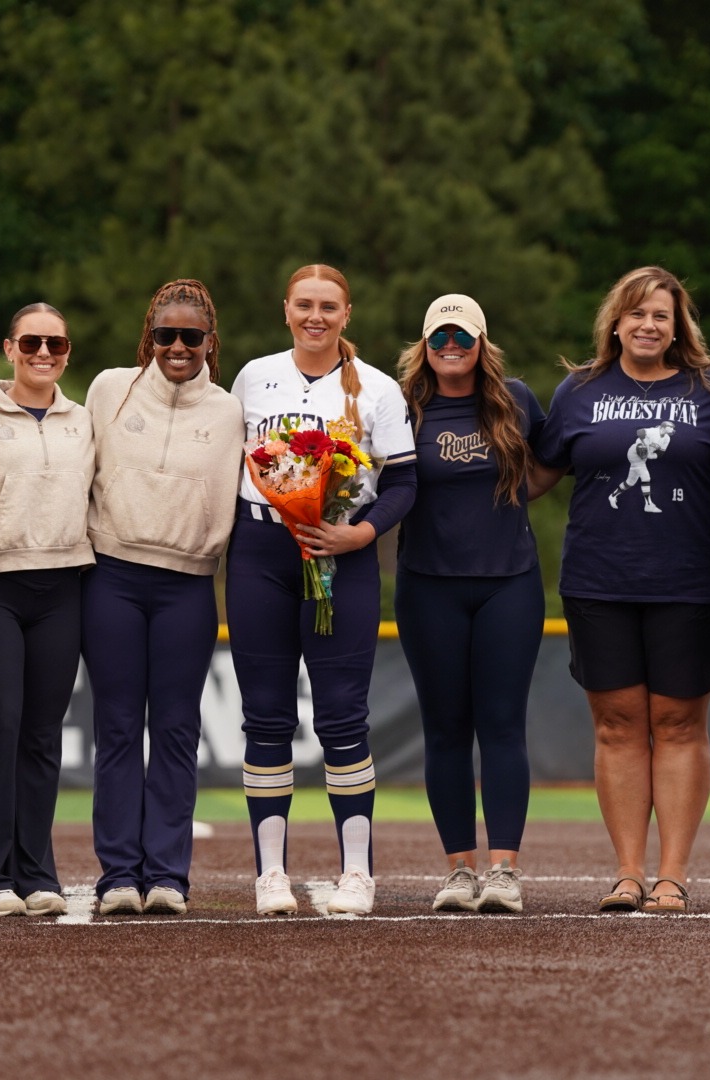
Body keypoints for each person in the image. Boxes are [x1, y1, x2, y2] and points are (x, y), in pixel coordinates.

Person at [537, 266, 710, 915]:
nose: (648, 325)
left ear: (678, 327)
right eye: (637, 314)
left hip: (691, 582)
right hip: (600, 581)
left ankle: (672, 874)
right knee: (618, 728)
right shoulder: (579, 390)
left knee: (679, 725)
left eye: (661, 316)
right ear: (614, 322)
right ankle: (628, 872)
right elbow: (533, 475)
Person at [228, 263, 416, 916]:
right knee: (267, 716)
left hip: (341, 555)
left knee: (341, 715)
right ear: (285, 310)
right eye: (304, 304)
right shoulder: (254, 376)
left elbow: (403, 484)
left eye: (328, 306)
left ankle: (357, 873)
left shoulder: (379, 391)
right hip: (259, 552)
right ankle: (270, 874)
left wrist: (359, 536)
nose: (316, 316)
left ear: (347, 313)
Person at [84, 279, 244, 917]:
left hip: (188, 584)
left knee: (176, 731)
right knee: (118, 729)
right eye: (165, 335)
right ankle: (119, 873)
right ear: (148, 336)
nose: (177, 347)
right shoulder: (106, 390)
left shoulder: (230, 410)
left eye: (191, 337)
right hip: (112, 577)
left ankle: (168, 876)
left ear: (210, 342)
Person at [393, 294, 546, 914]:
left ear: (482, 342)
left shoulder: (516, 399)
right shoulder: (400, 407)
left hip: (509, 580)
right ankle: (459, 870)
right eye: (439, 337)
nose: (450, 346)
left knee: (503, 725)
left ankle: (504, 870)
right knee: (446, 728)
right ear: (423, 345)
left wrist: (510, 503)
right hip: (428, 583)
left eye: (462, 336)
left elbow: (553, 463)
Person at [0, 304, 94, 919]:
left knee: (42, 735)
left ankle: (35, 873)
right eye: (32, 342)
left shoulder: (84, 420)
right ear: (9, 347)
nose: (44, 353)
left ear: (67, 351)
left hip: (63, 587)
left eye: (56, 345)